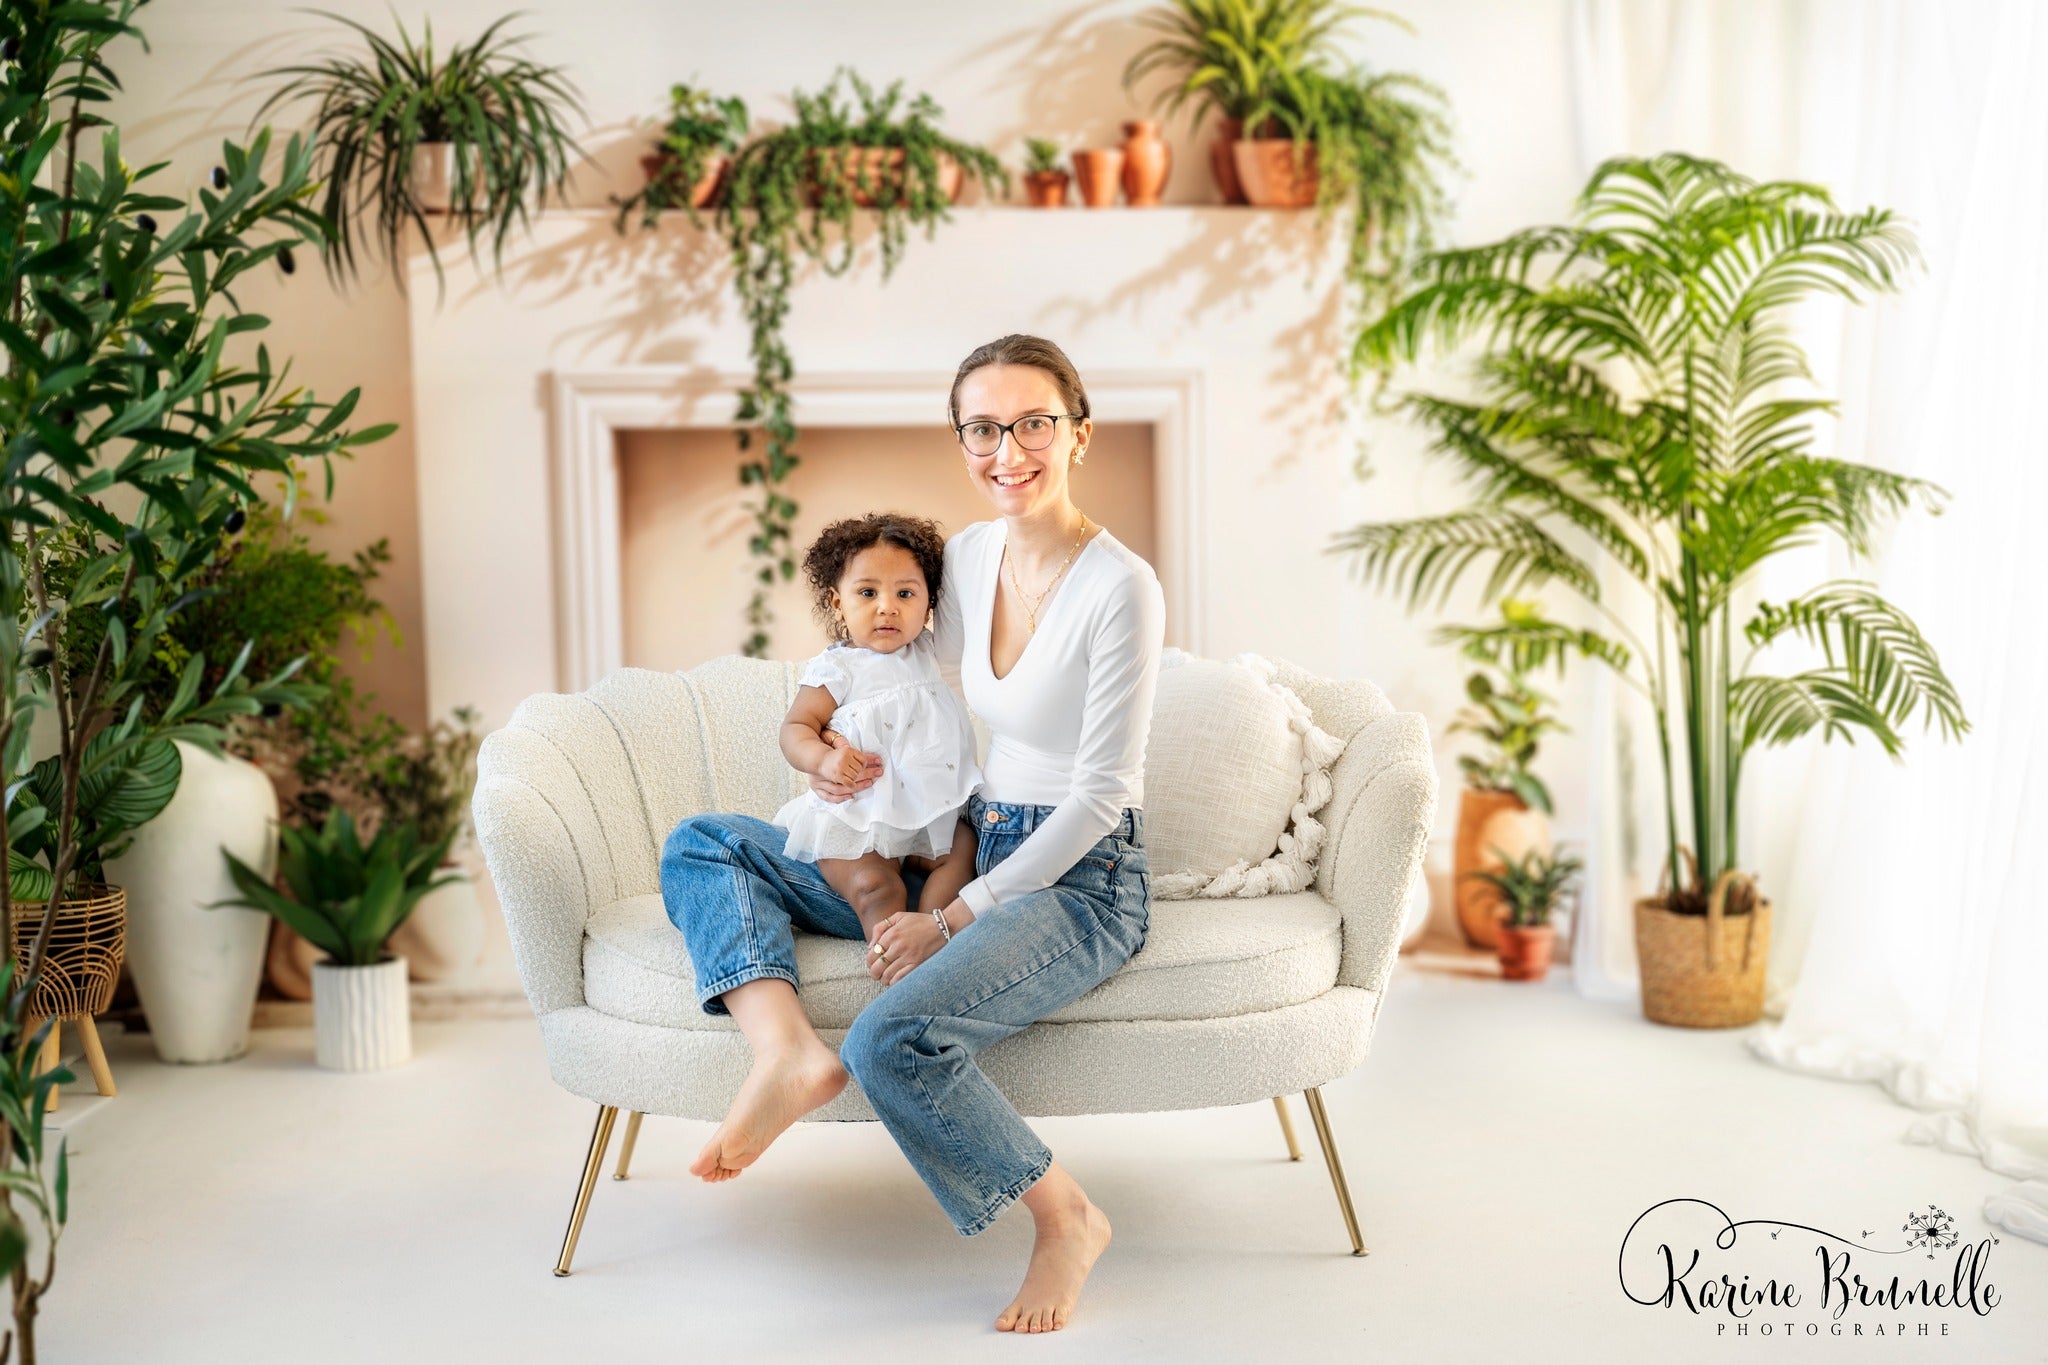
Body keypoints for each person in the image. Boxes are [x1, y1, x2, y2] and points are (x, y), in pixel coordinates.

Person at [661, 333, 1165, 1334]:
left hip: (1076, 878)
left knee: (896, 1037)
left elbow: (1100, 797)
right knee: (705, 842)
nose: (1005, 449)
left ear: (1077, 436)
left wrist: (957, 914)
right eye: (981, 427)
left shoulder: (1120, 588)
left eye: (1032, 423)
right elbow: (872, 651)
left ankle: (1064, 1218)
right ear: (961, 440)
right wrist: (821, 750)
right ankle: (783, 1052)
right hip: (961, 844)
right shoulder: (969, 556)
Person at [770, 512, 981, 950]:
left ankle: (929, 940)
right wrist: (824, 759)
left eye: (906, 593)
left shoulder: (930, 653)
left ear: (929, 604)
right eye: (867, 592)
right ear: (836, 602)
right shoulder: (839, 667)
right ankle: (890, 954)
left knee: (964, 856)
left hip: (933, 811)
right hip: (860, 817)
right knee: (875, 886)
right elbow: (796, 727)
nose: (888, 606)